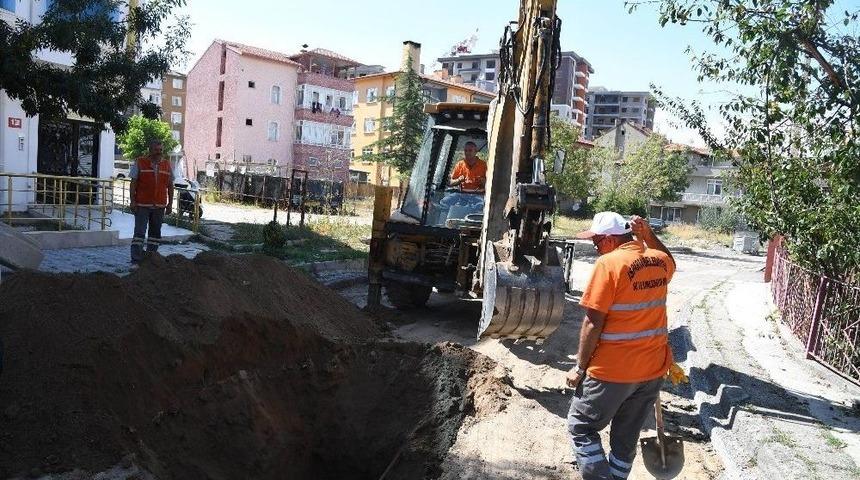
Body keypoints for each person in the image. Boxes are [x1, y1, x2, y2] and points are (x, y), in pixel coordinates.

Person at [566, 211, 676, 480]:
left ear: (609, 240)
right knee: (625, 439)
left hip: (612, 371)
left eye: (596, 241)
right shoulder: (658, 260)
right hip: (652, 371)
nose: (595, 247)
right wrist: (648, 235)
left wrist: (579, 368)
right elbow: (671, 260)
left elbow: (592, 323)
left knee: (581, 427)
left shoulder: (609, 264)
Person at [129, 140, 174, 263]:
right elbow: (133, 183)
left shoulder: (167, 165)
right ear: (150, 150)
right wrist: (132, 201)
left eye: (161, 150)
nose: (159, 152)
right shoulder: (140, 162)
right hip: (142, 204)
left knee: (155, 234)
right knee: (139, 233)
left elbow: (170, 185)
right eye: (156, 150)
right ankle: (136, 260)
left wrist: (170, 204)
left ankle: (151, 259)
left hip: (159, 205)